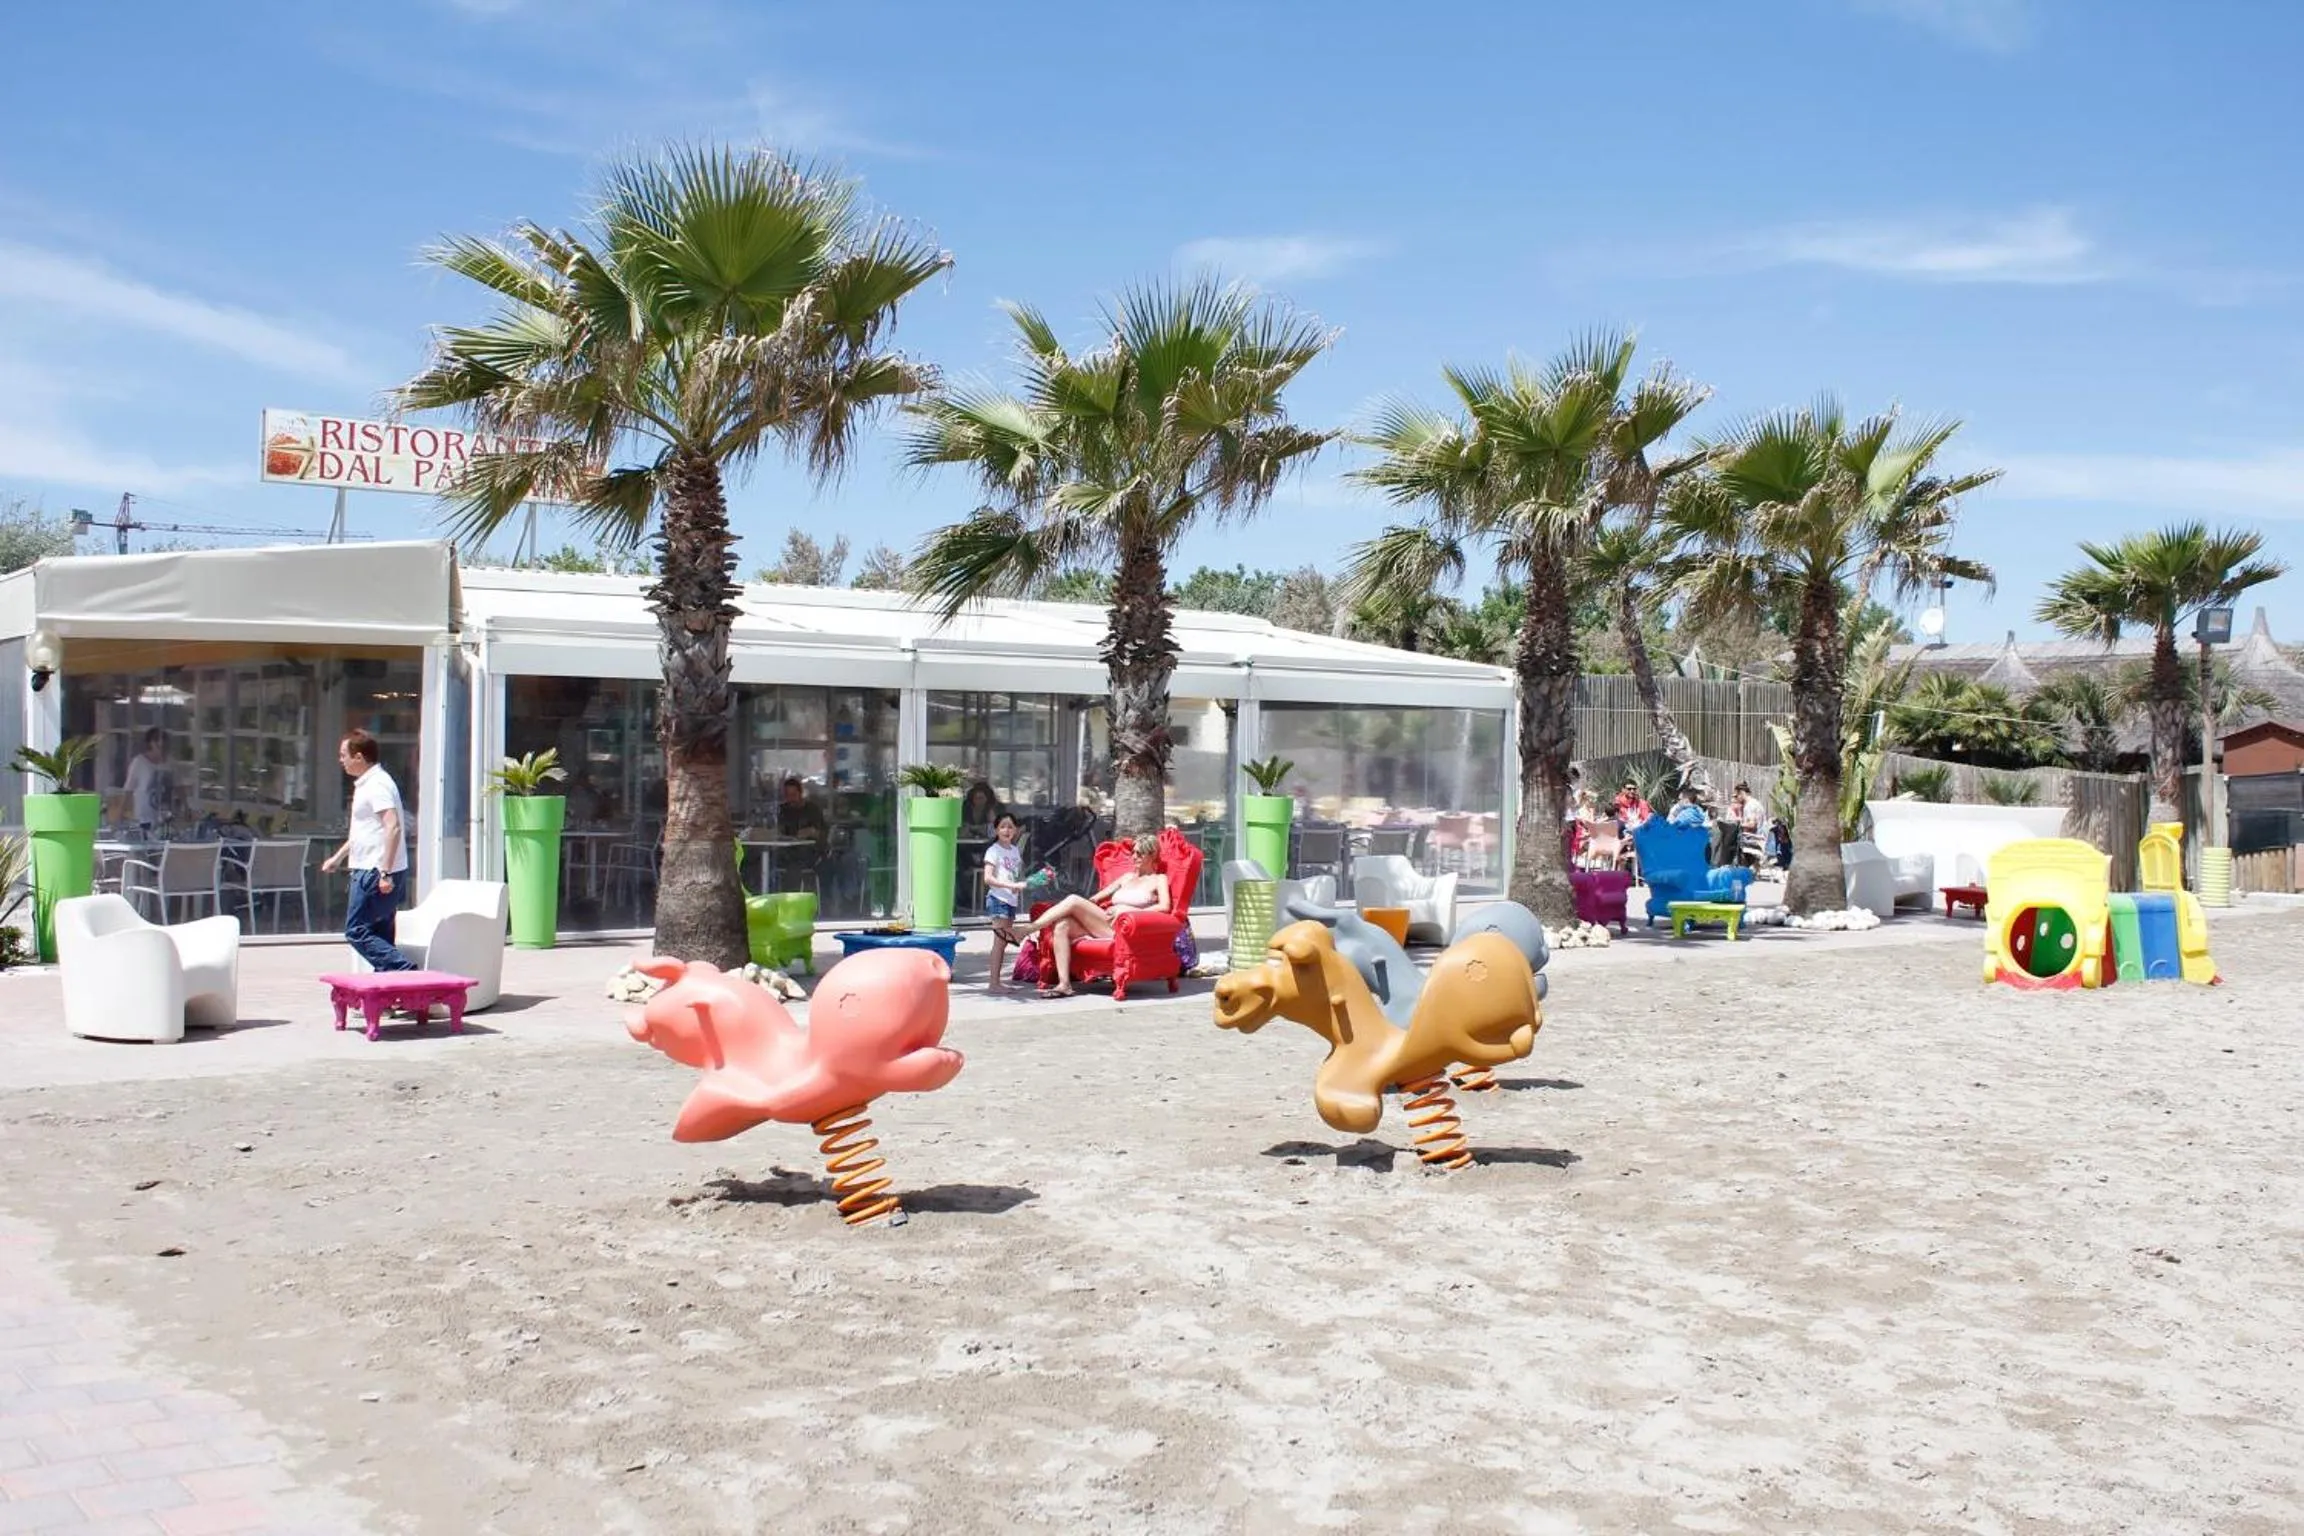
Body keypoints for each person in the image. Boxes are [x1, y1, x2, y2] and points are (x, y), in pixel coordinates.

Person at [1016, 833, 1169, 998]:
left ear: (1152, 855)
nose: (1134, 857)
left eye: (1140, 853)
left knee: (1074, 900)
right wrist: (1088, 904)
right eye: (1133, 852)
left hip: (1125, 928)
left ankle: (1027, 929)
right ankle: (1064, 984)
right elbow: (1097, 897)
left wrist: (1130, 912)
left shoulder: (1158, 879)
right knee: (1063, 925)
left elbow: (1164, 907)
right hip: (1105, 921)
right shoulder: (1127, 878)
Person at [320, 729, 413, 972]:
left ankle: (406, 973)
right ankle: (392, 994)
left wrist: (385, 872)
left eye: (344, 755)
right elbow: (365, 831)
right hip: (373, 868)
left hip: (373, 871)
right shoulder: (369, 784)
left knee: (357, 930)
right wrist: (338, 857)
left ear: (359, 757)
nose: (341, 760)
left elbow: (392, 826)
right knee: (380, 932)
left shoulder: (377, 785)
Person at [981, 812, 1028, 992]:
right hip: (998, 900)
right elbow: (988, 878)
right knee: (1000, 941)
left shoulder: (1015, 850)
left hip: (1010, 900)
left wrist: (1018, 884)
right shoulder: (993, 851)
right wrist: (1010, 885)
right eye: (1002, 826)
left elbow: (1015, 875)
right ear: (996, 830)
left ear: (1015, 829)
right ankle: (994, 983)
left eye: (1010, 826)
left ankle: (996, 982)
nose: (1006, 830)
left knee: (1003, 942)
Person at [119, 728, 172, 835]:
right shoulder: (139, 762)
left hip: (166, 817)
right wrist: (122, 811)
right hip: (144, 816)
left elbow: (179, 785)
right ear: (150, 743)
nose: (160, 743)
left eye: (163, 740)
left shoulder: (171, 762)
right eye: (156, 740)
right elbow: (129, 788)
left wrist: (186, 808)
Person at [775, 776, 828, 847]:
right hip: (787, 849)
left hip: (809, 849)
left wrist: (812, 832)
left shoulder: (812, 809)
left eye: (793, 795)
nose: (790, 799)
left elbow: (824, 834)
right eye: (787, 795)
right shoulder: (783, 809)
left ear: (800, 793)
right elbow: (779, 830)